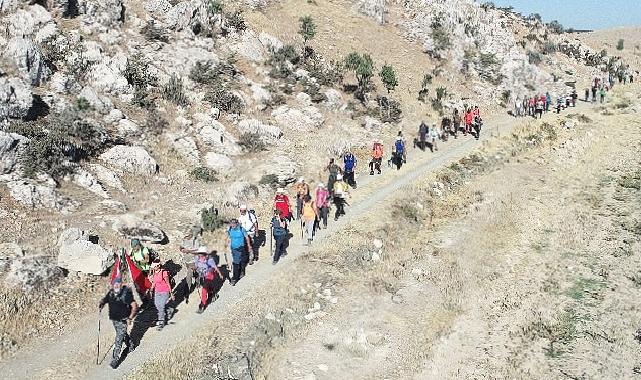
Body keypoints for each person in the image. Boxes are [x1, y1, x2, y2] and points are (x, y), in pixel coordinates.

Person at [99, 276, 138, 369]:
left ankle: (115, 359)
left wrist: (130, 317)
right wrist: (101, 304)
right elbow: (105, 300)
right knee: (122, 334)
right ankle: (131, 345)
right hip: (114, 320)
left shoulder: (126, 293)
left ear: (120, 284)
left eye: (117, 283)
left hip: (123, 320)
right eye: (114, 283)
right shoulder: (111, 292)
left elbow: (134, 306)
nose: (116, 285)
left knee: (118, 339)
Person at [194, 246, 223, 313]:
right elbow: (196, 266)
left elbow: (215, 267)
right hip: (202, 276)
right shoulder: (197, 258)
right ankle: (212, 294)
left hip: (209, 276)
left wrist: (220, 274)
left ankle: (202, 305)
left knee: (204, 290)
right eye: (199, 253)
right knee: (207, 287)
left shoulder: (209, 260)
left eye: (201, 253)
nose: (200, 254)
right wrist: (195, 270)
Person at [179, 226, 202, 303]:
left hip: (193, 261)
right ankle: (198, 282)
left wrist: (188, 251)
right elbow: (180, 247)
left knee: (189, 276)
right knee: (195, 273)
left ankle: (186, 292)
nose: (187, 236)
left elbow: (197, 250)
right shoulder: (184, 239)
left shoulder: (195, 240)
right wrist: (182, 249)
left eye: (188, 234)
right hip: (187, 261)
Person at [227, 218, 252, 286]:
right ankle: (242, 272)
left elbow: (247, 237)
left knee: (236, 263)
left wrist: (249, 246)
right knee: (240, 260)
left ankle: (235, 278)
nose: (232, 225)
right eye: (231, 223)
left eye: (234, 223)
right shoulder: (230, 229)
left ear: (237, 223)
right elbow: (229, 237)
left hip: (240, 248)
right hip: (233, 248)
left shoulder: (241, 229)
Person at [149, 261, 174, 329]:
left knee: (161, 306)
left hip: (165, 291)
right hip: (157, 292)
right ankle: (169, 310)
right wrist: (151, 290)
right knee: (157, 305)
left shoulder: (164, 273)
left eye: (154, 267)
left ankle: (161, 322)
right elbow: (154, 282)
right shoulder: (154, 272)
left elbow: (168, 283)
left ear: (158, 266)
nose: (153, 268)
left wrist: (171, 293)